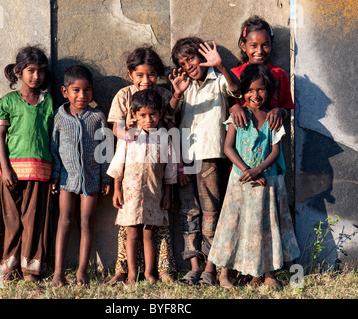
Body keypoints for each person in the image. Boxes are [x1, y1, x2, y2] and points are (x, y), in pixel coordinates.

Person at [208, 63, 300, 290]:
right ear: (242, 92)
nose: (255, 95)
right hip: (240, 183)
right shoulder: (238, 117)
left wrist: (257, 170)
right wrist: (247, 170)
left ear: (269, 90)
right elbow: (228, 148)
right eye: (249, 90)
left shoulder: (273, 118)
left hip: (267, 182)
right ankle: (223, 275)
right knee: (232, 226)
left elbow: (276, 151)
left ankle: (268, 273)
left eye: (260, 90)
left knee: (266, 227)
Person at [168, 37, 240, 286]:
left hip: (210, 157)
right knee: (190, 212)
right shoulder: (184, 86)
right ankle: (194, 267)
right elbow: (168, 116)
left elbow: (236, 90)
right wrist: (177, 94)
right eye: (182, 62)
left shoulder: (218, 79)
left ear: (202, 56)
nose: (188, 65)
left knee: (211, 212)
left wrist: (220, 66)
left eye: (191, 58)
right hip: (186, 158)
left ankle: (211, 267)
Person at [106, 46, 177, 285]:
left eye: (152, 75)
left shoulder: (164, 96)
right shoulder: (123, 96)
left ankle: (156, 271)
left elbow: (171, 125)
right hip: (132, 179)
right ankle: (127, 271)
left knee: (154, 229)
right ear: (130, 75)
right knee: (130, 230)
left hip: (156, 177)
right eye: (140, 75)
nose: (146, 80)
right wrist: (129, 135)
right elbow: (116, 128)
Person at [0, 45, 54, 282]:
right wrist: (5, 168)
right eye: (30, 70)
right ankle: (9, 268)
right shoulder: (8, 102)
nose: (36, 76)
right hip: (12, 172)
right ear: (18, 72)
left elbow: (52, 138)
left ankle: (31, 270)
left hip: (41, 171)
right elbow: (0, 137)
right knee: (11, 220)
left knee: (35, 220)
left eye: (40, 71)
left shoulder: (48, 102)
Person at [50, 65, 111, 287]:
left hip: (93, 178)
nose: (82, 96)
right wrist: (55, 175)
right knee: (64, 220)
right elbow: (54, 148)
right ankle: (58, 272)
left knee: (86, 221)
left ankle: (82, 270)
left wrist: (106, 178)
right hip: (67, 179)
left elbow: (106, 149)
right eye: (76, 90)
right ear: (65, 91)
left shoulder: (97, 117)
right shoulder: (59, 117)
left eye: (87, 91)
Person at [229, 15, 294, 131]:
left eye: (265, 45)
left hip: (270, 140)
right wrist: (234, 107)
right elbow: (224, 105)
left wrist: (279, 111)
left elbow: (287, 107)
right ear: (243, 46)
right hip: (240, 140)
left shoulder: (279, 74)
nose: (259, 51)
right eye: (253, 45)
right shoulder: (234, 75)